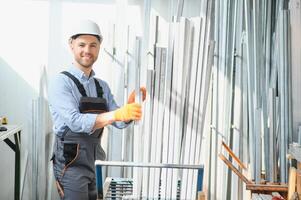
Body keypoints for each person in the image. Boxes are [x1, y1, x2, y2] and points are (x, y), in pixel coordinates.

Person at [48, 19, 146, 200]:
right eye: (82, 44)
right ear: (71, 46)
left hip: (96, 160)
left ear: (99, 48)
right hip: (71, 164)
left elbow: (118, 122)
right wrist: (116, 114)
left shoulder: (102, 86)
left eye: (93, 45)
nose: (87, 50)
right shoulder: (60, 83)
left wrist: (129, 110)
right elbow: (76, 122)